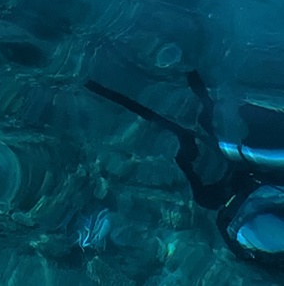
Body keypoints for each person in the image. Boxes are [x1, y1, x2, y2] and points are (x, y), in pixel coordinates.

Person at [87, 72, 284, 267]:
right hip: (239, 184)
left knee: (186, 134)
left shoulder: (218, 195)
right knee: (189, 132)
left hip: (237, 184)